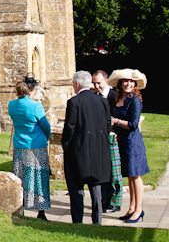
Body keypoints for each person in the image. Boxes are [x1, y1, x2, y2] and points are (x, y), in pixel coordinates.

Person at [62, 70, 111, 225]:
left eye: (73, 83)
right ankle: (97, 220)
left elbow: (70, 128)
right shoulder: (102, 101)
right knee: (95, 187)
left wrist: (66, 146)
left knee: (77, 188)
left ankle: (78, 220)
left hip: (78, 150)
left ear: (77, 84)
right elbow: (107, 125)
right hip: (98, 150)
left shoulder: (74, 102)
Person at [107, 68, 150, 223]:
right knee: (130, 177)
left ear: (135, 84)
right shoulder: (119, 98)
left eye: (131, 81)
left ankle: (139, 210)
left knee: (135, 175)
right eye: (125, 81)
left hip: (133, 142)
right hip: (123, 141)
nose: (128, 84)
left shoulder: (135, 100)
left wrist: (116, 122)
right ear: (120, 83)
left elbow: (133, 124)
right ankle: (131, 208)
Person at [8, 78, 51, 220]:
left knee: (20, 176)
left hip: (20, 144)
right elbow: (46, 126)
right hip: (36, 145)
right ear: (30, 91)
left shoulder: (12, 105)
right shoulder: (35, 106)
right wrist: (47, 137)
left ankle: (20, 206)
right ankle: (41, 211)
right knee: (39, 177)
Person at [93, 70, 123, 214]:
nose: (96, 86)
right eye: (94, 83)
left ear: (105, 81)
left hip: (113, 138)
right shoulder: (94, 97)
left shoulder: (115, 96)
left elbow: (120, 117)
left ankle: (116, 202)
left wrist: (115, 132)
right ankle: (105, 201)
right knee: (102, 171)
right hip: (99, 139)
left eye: (98, 83)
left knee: (115, 173)